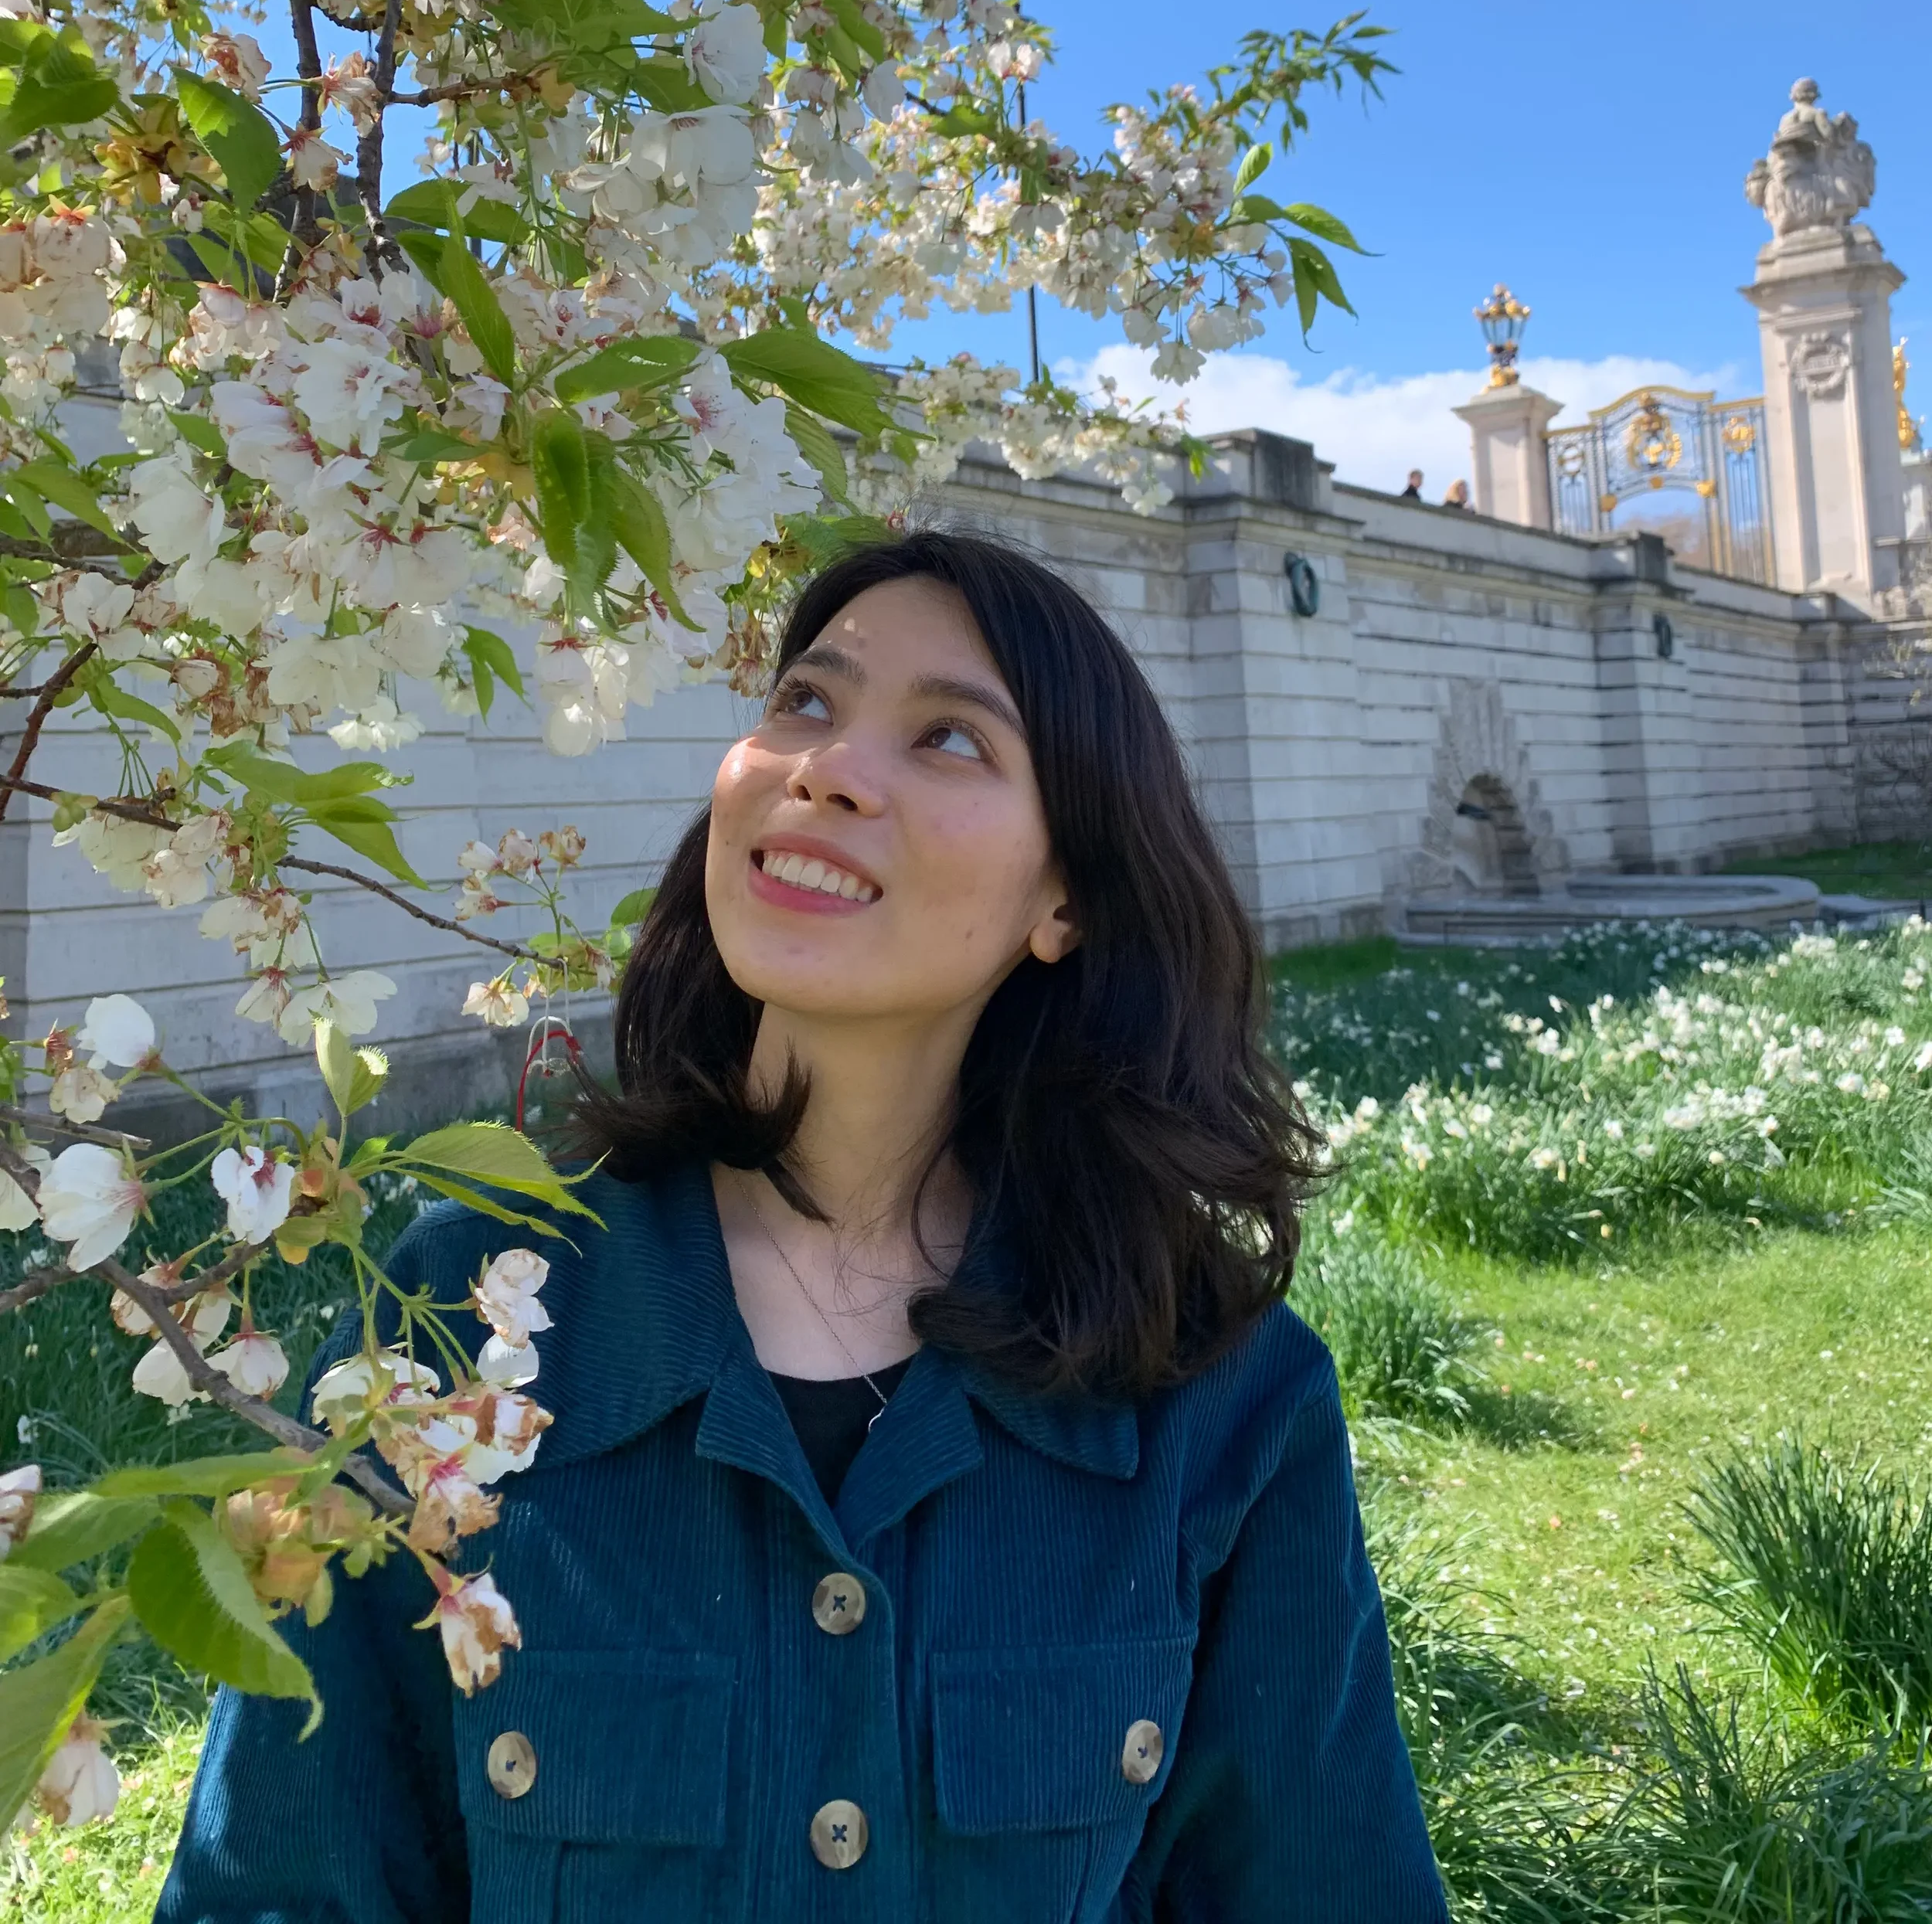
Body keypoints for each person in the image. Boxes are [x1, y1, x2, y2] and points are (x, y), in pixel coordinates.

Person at [160, 530, 1447, 1924]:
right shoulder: (460, 1315)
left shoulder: (1213, 1389)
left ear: (1065, 900)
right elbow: (277, 1888)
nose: (825, 767)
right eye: (806, 701)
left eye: (949, 738)